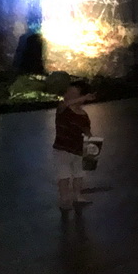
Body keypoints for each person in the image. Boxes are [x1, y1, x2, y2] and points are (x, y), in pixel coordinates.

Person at [53, 80, 95, 213]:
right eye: (68, 93)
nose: (68, 96)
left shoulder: (83, 115)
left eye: (73, 94)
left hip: (78, 149)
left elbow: (87, 132)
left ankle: (77, 196)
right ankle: (64, 199)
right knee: (64, 175)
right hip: (62, 149)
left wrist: (92, 146)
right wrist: (83, 97)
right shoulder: (62, 109)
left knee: (79, 174)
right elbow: (65, 104)